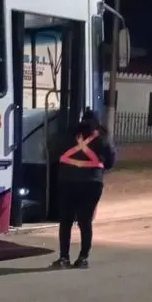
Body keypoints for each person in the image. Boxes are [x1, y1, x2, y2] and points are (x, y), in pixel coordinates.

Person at [50, 109, 116, 269]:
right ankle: (83, 258)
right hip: (92, 183)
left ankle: (64, 258)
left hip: (67, 182)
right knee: (85, 222)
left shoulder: (68, 135)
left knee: (66, 221)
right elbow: (110, 160)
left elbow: (53, 151)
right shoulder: (102, 138)